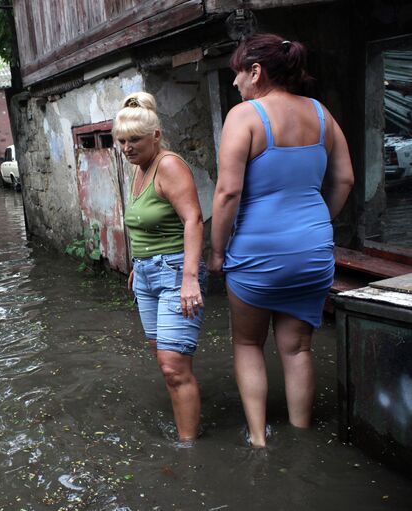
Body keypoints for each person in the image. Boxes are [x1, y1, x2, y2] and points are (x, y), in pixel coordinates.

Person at [209, 33, 354, 447]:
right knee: (297, 349)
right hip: (312, 251)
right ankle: (303, 436)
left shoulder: (245, 116)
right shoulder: (322, 114)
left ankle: (258, 440)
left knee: (248, 343)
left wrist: (217, 252)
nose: (235, 83)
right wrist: (319, 222)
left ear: (255, 72)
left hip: (258, 253)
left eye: (237, 73)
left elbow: (227, 193)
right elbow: (345, 178)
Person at [115, 92, 207, 444]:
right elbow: (143, 225)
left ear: (155, 135)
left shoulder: (169, 165)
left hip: (175, 274)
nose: (126, 148)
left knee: (173, 365)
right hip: (148, 275)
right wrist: (138, 265)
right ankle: (188, 421)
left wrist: (189, 279)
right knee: (168, 361)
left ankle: (188, 449)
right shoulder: (139, 170)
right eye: (122, 141)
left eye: (134, 140)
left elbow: (193, 219)